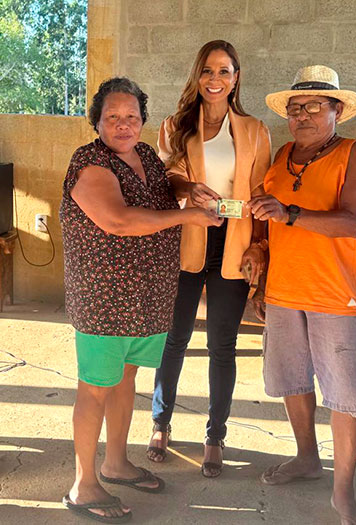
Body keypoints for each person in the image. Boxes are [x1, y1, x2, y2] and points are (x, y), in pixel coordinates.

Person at [59, 77, 221, 523]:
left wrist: (188, 190)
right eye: (112, 117)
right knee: (95, 387)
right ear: (97, 122)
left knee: (126, 380)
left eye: (131, 116)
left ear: (143, 120)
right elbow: (118, 220)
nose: (123, 124)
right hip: (106, 299)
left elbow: (165, 184)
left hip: (146, 298)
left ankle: (115, 463)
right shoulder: (89, 163)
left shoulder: (146, 155)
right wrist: (189, 214)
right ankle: (83, 483)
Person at [249, 65, 356, 525]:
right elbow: (269, 220)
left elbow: (351, 221)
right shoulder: (281, 156)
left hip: (336, 293)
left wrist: (289, 214)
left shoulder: (355, 154)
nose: (301, 115)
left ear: (337, 110)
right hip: (285, 290)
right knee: (293, 379)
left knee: (346, 393)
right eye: (295, 108)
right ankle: (307, 458)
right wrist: (259, 251)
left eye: (313, 107)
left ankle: (343, 493)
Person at [148, 40, 271, 478]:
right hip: (186, 241)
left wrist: (260, 248)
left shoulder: (256, 130)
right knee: (174, 339)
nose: (215, 80)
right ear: (196, 76)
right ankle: (160, 423)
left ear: (236, 78)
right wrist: (186, 191)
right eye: (207, 71)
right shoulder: (175, 125)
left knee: (222, 345)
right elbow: (164, 181)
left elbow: (260, 194)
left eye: (224, 71)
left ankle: (215, 435)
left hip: (234, 246)